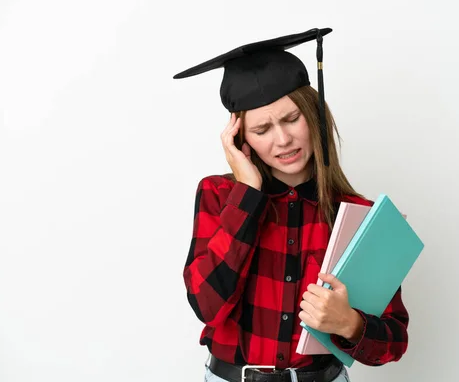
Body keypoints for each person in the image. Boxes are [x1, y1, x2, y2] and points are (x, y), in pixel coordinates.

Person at [174, 28, 409, 382]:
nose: (282, 140)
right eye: (262, 129)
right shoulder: (219, 195)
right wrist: (249, 193)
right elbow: (206, 305)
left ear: (312, 115)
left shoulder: (358, 216)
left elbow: (394, 341)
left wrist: (349, 322)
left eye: (291, 119)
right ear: (242, 138)